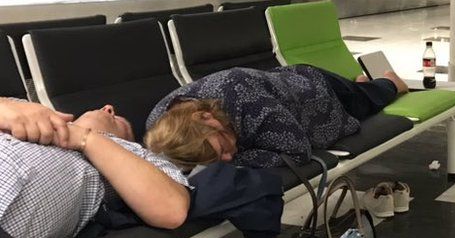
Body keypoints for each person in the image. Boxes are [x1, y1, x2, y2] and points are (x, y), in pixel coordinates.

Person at [0, 99, 190, 238]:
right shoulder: (28, 110)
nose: (108, 108)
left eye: (120, 123)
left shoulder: (136, 157)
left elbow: (172, 209)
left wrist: (86, 139)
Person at [145, 65, 409, 170]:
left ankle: (389, 81)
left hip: (315, 91)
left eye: (223, 149)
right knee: (360, 93)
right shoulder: (161, 125)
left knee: (368, 101)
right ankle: (362, 84)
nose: (226, 158)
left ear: (207, 117)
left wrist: (236, 159)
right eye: (216, 158)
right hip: (277, 89)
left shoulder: (253, 106)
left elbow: (298, 151)